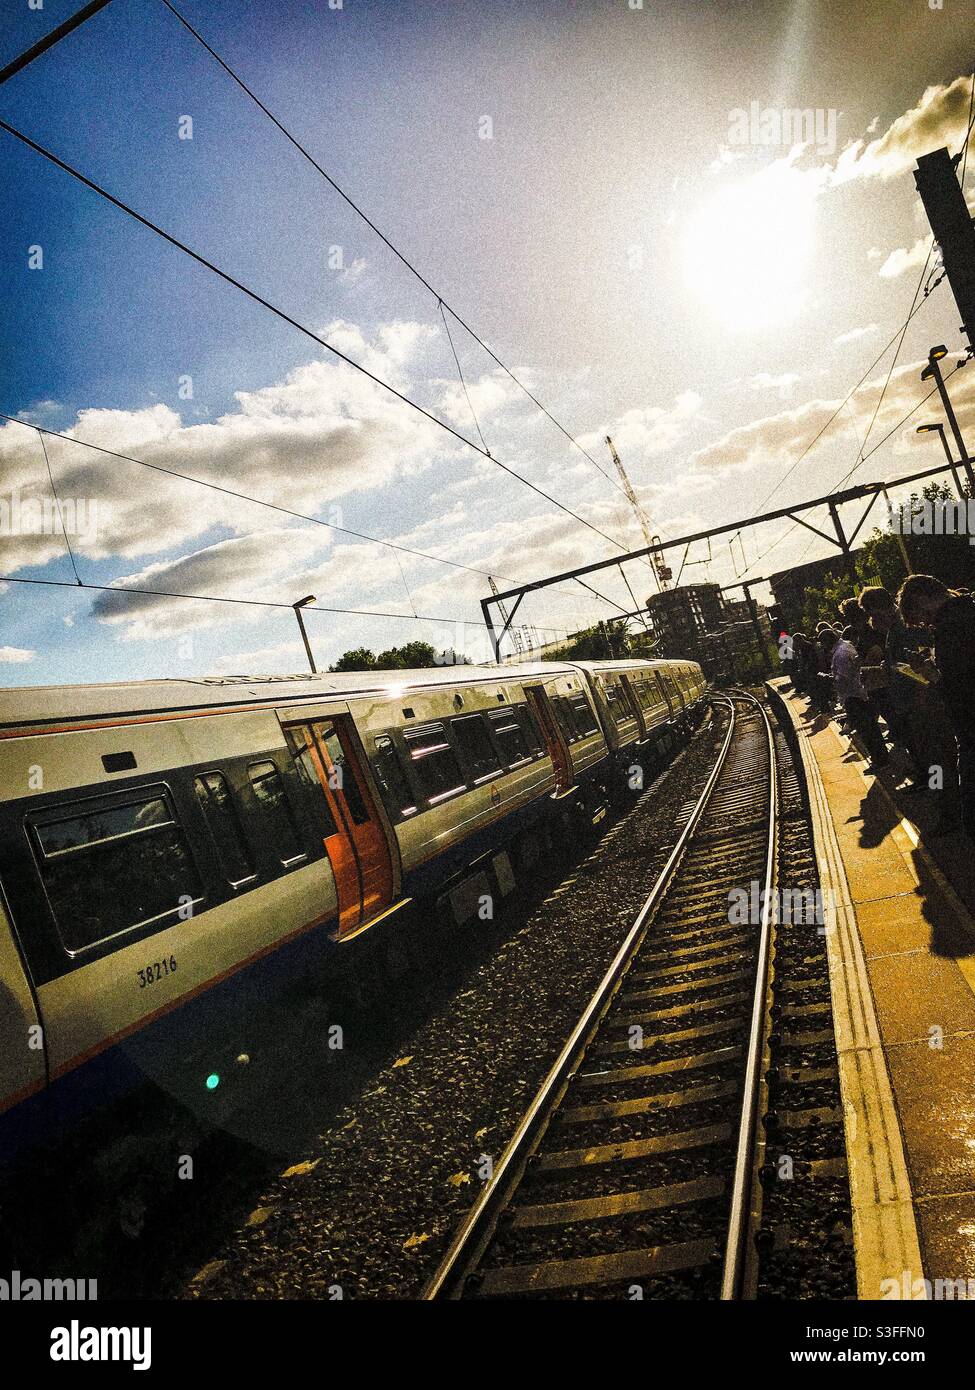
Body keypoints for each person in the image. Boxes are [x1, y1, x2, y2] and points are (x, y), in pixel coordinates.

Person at [897, 575, 975, 840]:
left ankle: (949, 819)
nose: (925, 624)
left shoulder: (951, 627)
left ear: (922, 599)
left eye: (921, 617)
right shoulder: (966, 611)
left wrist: (931, 675)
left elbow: (959, 686)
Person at [824, 627, 889, 771]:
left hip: (854, 696)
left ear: (827, 641)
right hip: (860, 692)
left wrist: (831, 678)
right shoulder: (846, 646)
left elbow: (846, 677)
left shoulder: (839, 654)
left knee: (866, 730)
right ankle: (881, 757)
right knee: (871, 728)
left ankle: (879, 760)